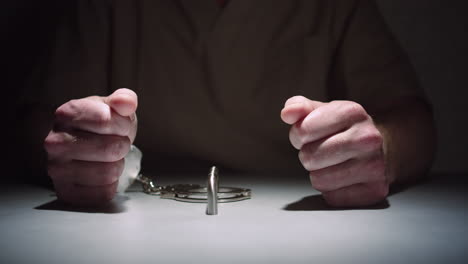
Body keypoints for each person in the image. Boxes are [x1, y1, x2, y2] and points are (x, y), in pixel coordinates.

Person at [17, 0, 436, 207]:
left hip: (304, 206)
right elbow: (37, 123)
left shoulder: (334, 6)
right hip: (136, 206)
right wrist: (73, 152)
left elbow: (413, 120)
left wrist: (380, 150)